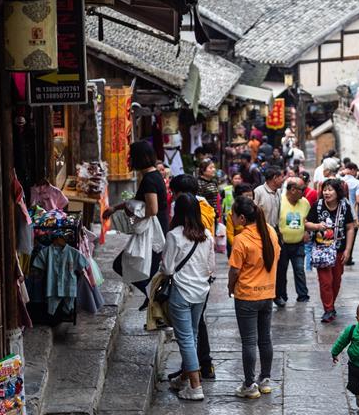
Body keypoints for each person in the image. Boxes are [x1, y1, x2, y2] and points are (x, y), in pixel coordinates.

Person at [102, 141, 168, 309]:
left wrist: (132, 214)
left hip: (153, 232)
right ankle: (154, 300)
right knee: (143, 269)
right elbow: (140, 203)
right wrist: (116, 208)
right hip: (154, 230)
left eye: (131, 157)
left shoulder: (149, 180)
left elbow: (152, 209)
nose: (128, 160)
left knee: (124, 265)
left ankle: (155, 299)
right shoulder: (152, 176)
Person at [163, 193, 215, 401]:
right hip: (201, 292)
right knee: (191, 336)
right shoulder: (207, 235)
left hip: (181, 292)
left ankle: (195, 386)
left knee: (185, 339)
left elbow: (167, 268)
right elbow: (211, 268)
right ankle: (184, 379)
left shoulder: (174, 235)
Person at [228, 196, 279, 399]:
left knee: (249, 341)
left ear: (241, 218)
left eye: (232, 214)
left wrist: (230, 286)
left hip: (247, 295)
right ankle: (265, 379)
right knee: (264, 338)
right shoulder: (270, 231)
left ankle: (250, 385)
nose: (230, 217)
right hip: (268, 294)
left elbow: (234, 270)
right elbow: (277, 255)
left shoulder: (241, 240)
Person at [306, 178, 356, 323]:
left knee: (336, 280)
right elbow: (307, 224)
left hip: (339, 250)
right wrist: (317, 227)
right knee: (325, 281)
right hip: (322, 249)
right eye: (325, 190)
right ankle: (328, 309)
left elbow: (350, 227)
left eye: (330, 190)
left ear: (337, 192)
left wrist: (348, 250)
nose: (327, 193)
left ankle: (331, 306)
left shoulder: (344, 206)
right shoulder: (317, 205)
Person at [275, 177, 311, 306]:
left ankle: (302, 295)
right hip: (282, 244)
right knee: (281, 271)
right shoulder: (280, 201)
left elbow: (306, 220)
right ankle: (281, 295)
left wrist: (307, 231)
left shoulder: (305, 203)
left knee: (299, 269)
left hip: (298, 243)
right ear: (293, 190)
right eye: (303, 189)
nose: (305, 192)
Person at [225, 183, 254, 254]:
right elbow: (230, 233)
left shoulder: (255, 211)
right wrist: (237, 245)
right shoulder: (232, 214)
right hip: (238, 247)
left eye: (251, 196)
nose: (250, 198)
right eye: (247, 196)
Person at [253, 167, 284, 233]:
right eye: (281, 177)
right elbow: (253, 214)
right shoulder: (258, 192)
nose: (283, 180)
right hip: (262, 232)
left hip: (275, 231)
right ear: (275, 178)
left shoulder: (278, 191)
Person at [197, 158, 220, 225]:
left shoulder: (214, 182)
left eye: (214, 167)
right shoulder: (198, 183)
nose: (213, 170)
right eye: (210, 168)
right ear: (203, 170)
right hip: (204, 215)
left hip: (214, 214)